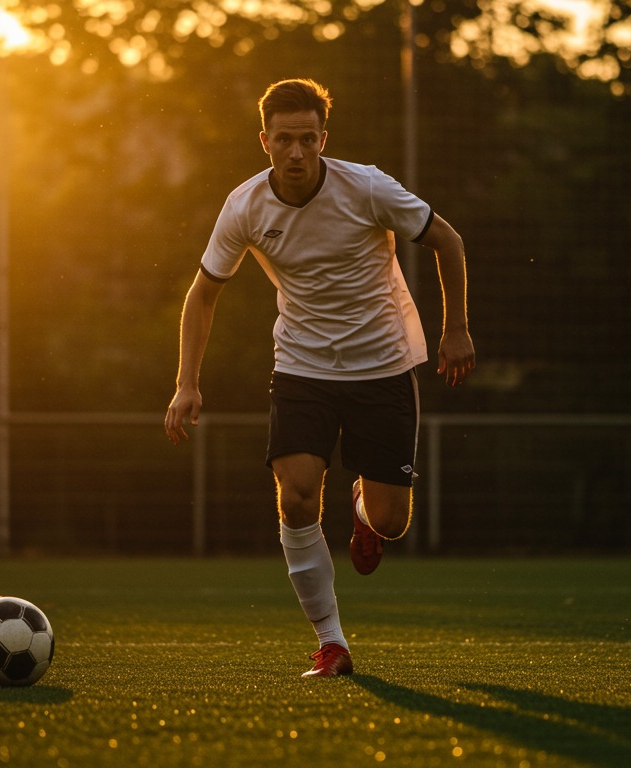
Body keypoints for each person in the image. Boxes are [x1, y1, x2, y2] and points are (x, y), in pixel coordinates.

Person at [164, 78, 475, 678]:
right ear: (265, 141)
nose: (297, 153)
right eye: (285, 140)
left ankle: (363, 510)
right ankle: (332, 644)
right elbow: (202, 295)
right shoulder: (245, 206)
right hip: (302, 366)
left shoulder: (366, 187)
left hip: (382, 365)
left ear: (323, 139)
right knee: (298, 494)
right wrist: (186, 383)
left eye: (308, 139)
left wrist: (455, 328)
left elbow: (448, 240)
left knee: (391, 522)